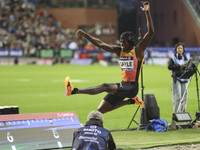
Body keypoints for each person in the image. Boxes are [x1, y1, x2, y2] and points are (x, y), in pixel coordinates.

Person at [64, 1, 154, 114]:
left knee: (105, 86)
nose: (121, 45)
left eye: (124, 42)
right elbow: (101, 44)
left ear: (130, 43)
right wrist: (86, 35)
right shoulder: (119, 51)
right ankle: (130, 102)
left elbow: (150, 32)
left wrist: (147, 13)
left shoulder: (138, 50)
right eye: (120, 42)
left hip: (131, 87)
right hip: (123, 86)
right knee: (101, 109)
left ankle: (74, 90)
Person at [168, 43, 189, 113]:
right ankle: (176, 114)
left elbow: (187, 66)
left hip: (184, 78)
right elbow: (169, 67)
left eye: (181, 48)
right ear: (176, 50)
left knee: (184, 97)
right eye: (178, 48)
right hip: (176, 79)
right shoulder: (173, 58)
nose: (180, 50)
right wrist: (178, 65)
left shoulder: (185, 57)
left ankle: (183, 114)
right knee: (177, 98)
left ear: (183, 50)